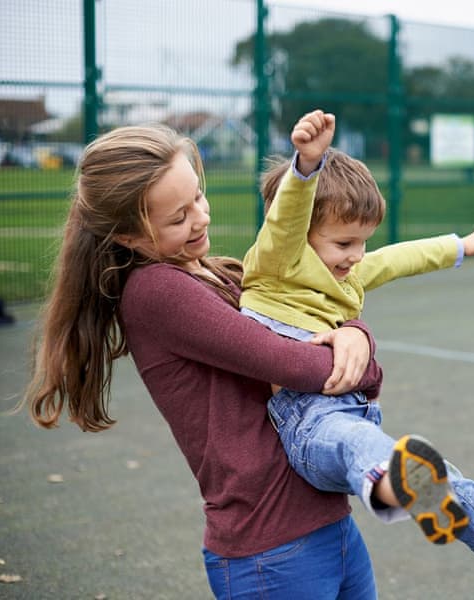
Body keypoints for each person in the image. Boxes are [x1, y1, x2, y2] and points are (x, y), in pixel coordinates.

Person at [21, 123, 388, 599]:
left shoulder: (220, 273)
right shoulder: (158, 291)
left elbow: (319, 324)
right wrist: (360, 352)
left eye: (198, 196)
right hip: (270, 550)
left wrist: (355, 333)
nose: (200, 218)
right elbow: (297, 364)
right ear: (128, 236)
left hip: (326, 522)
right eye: (178, 217)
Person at [240, 108, 474, 581]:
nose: (357, 255)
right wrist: (307, 166)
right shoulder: (278, 261)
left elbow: (399, 258)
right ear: (300, 235)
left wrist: (460, 246)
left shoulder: (348, 273)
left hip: (352, 412)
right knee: (363, 448)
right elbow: (287, 218)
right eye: (344, 243)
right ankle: (396, 484)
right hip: (308, 423)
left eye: (362, 242)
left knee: (435, 473)